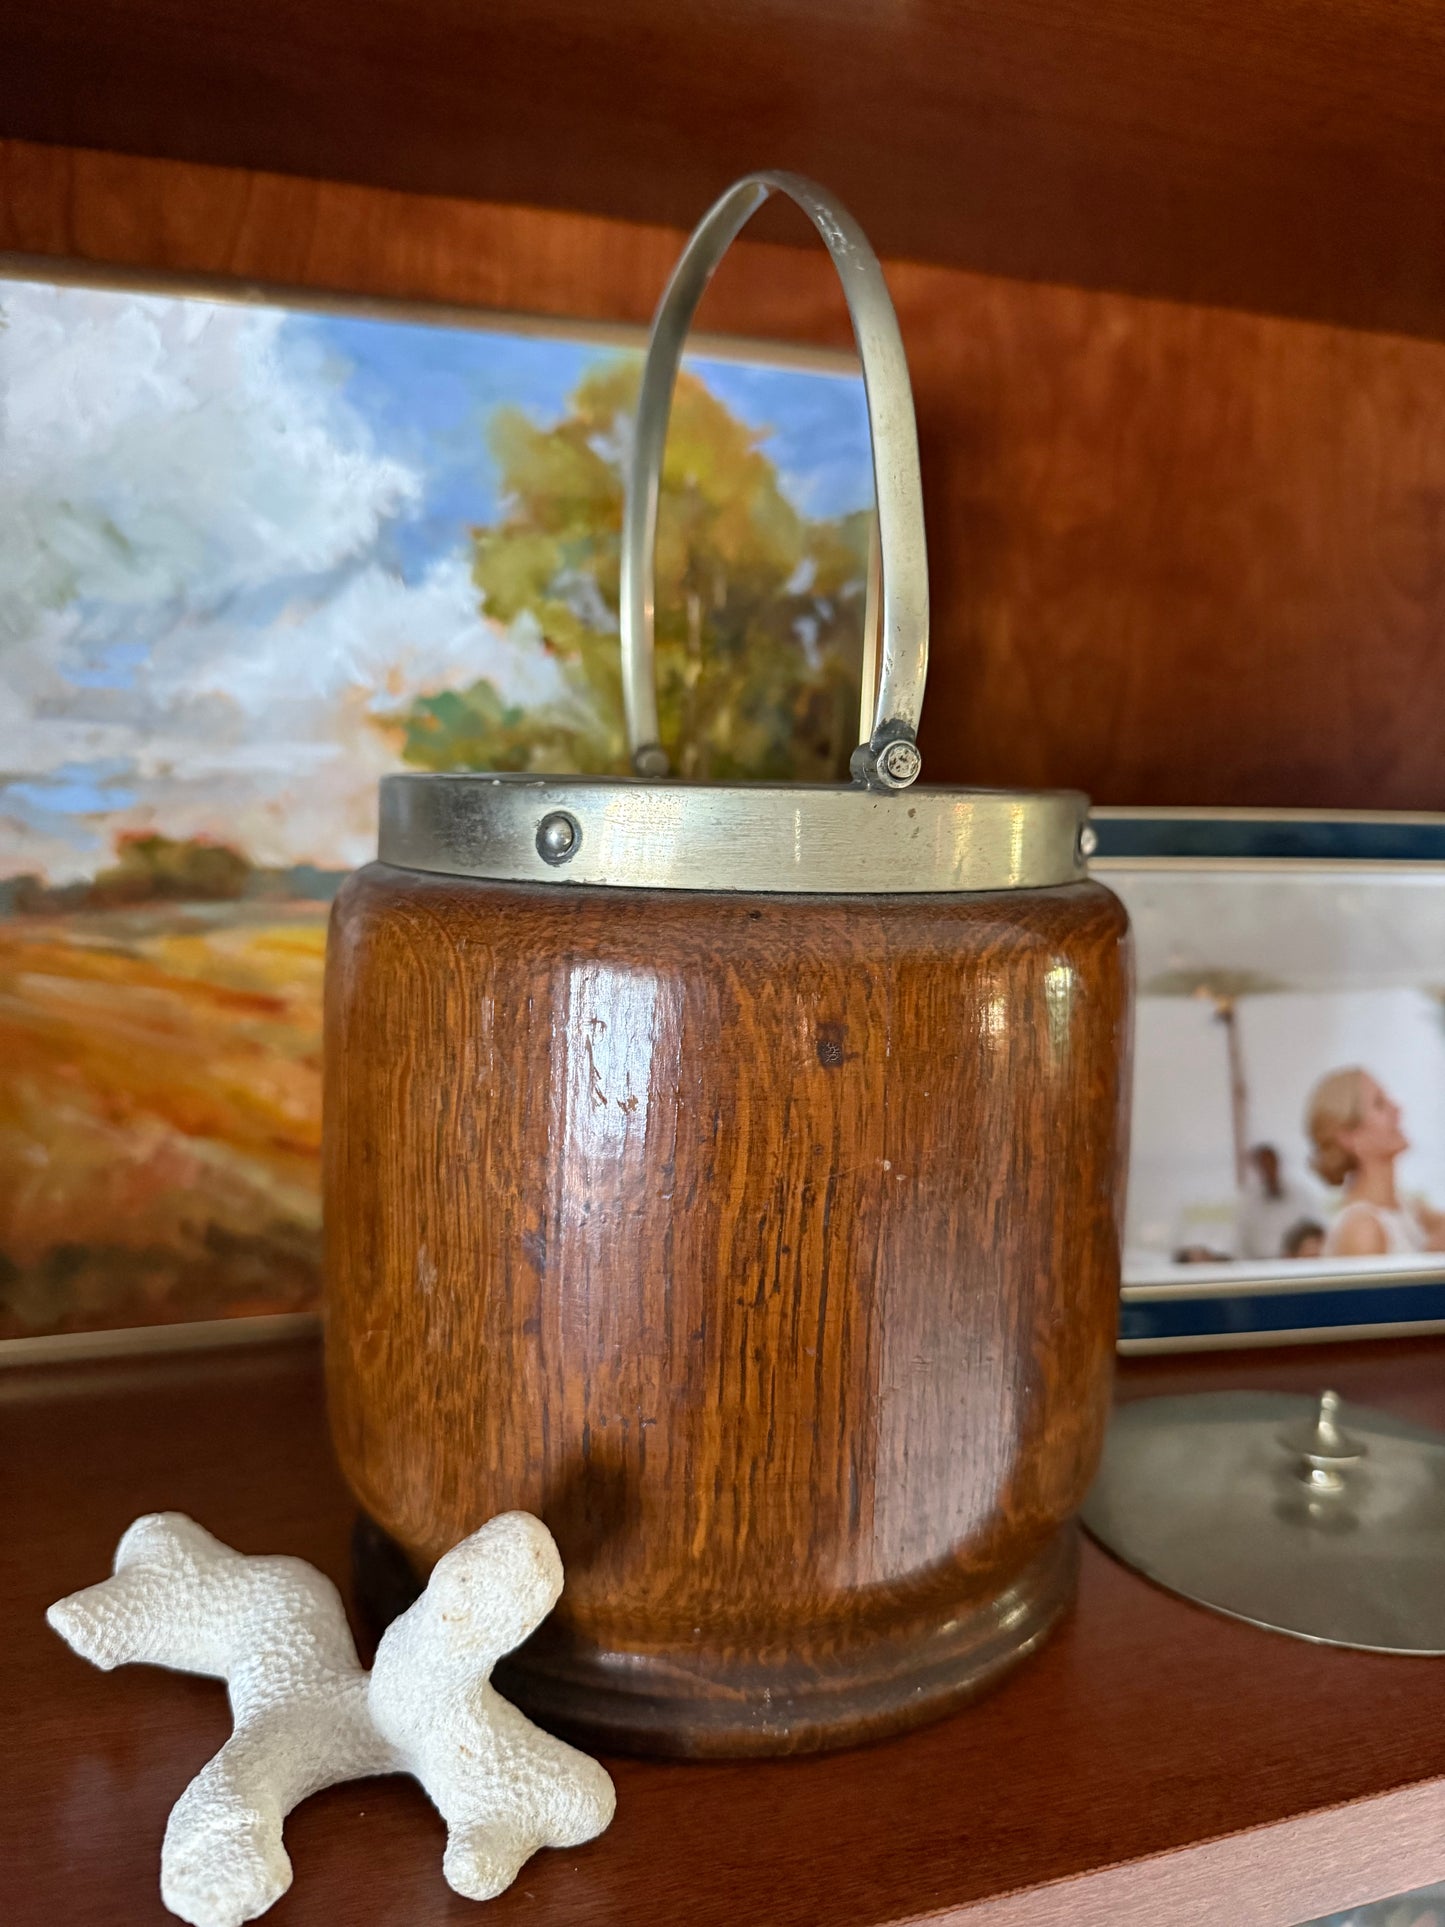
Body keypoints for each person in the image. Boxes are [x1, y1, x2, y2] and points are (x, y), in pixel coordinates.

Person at [1304, 1067, 1445, 1256]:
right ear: (1349, 1137)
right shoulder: (1361, 1229)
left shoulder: (1409, 1208)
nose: (1397, 1109)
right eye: (1380, 1104)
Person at [1235, 1143, 1317, 1260]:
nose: (1268, 1168)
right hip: (1260, 1266)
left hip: (1294, 1264)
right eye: (1263, 1164)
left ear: (1278, 1163)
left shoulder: (1300, 1195)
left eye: (1271, 1163)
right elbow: (1240, 1240)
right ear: (1256, 1167)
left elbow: (1314, 1230)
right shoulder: (1247, 1202)